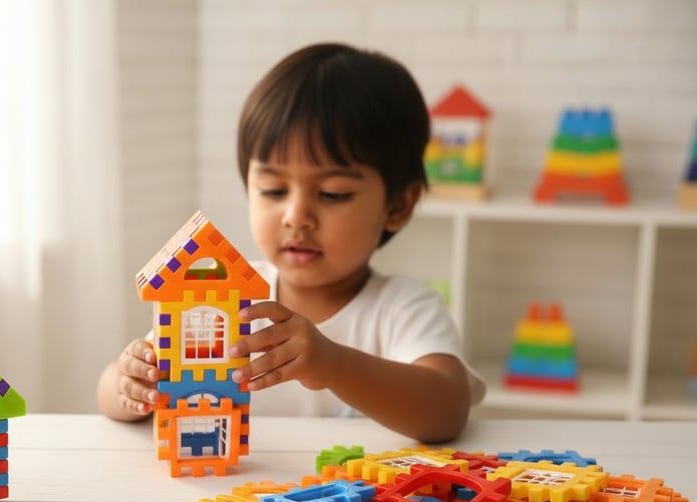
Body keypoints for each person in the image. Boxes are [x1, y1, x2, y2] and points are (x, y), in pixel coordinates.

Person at [96, 42, 485, 443]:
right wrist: (128, 382)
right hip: (236, 497)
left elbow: (446, 410)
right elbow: (114, 394)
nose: (296, 216)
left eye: (332, 193)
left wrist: (334, 364)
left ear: (397, 206)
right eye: (273, 189)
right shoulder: (218, 295)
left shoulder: (403, 307)